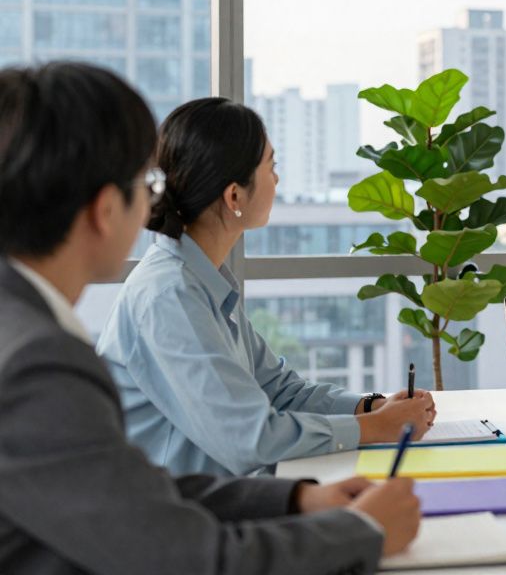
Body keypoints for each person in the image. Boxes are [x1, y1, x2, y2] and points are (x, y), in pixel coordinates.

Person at [0, 62, 420, 573]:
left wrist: (297, 501)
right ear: (106, 208)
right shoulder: (47, 359)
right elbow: (191, 553)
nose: (155, 196)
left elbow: (133, 491)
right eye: (144, 179)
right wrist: (362, 532)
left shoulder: (32, 329)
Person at [97, 97, 435, 477]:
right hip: (176, 516)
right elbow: (251, 439)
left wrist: (371, 407)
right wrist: (376, 427)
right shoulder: (169, 294)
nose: (277, 180)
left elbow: (281, 390)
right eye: (271, 167)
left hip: (219, 498)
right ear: (234, 196)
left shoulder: (202, 281)